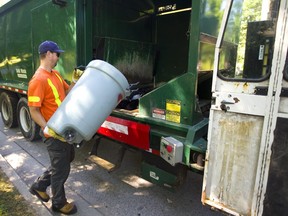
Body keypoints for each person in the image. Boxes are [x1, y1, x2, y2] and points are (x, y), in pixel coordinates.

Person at [28, 40, 77, 215]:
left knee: (66, 159)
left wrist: (74, 81)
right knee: (61, 169)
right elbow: (33, 110)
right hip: (53, 133)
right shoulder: (38, 80)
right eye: (57, 54)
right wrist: (46, 127)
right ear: (48, 54)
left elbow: (67, 93)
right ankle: (59, 203)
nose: (58, 57)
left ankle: (39, 185)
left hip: (63, 129)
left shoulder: (55, 74)